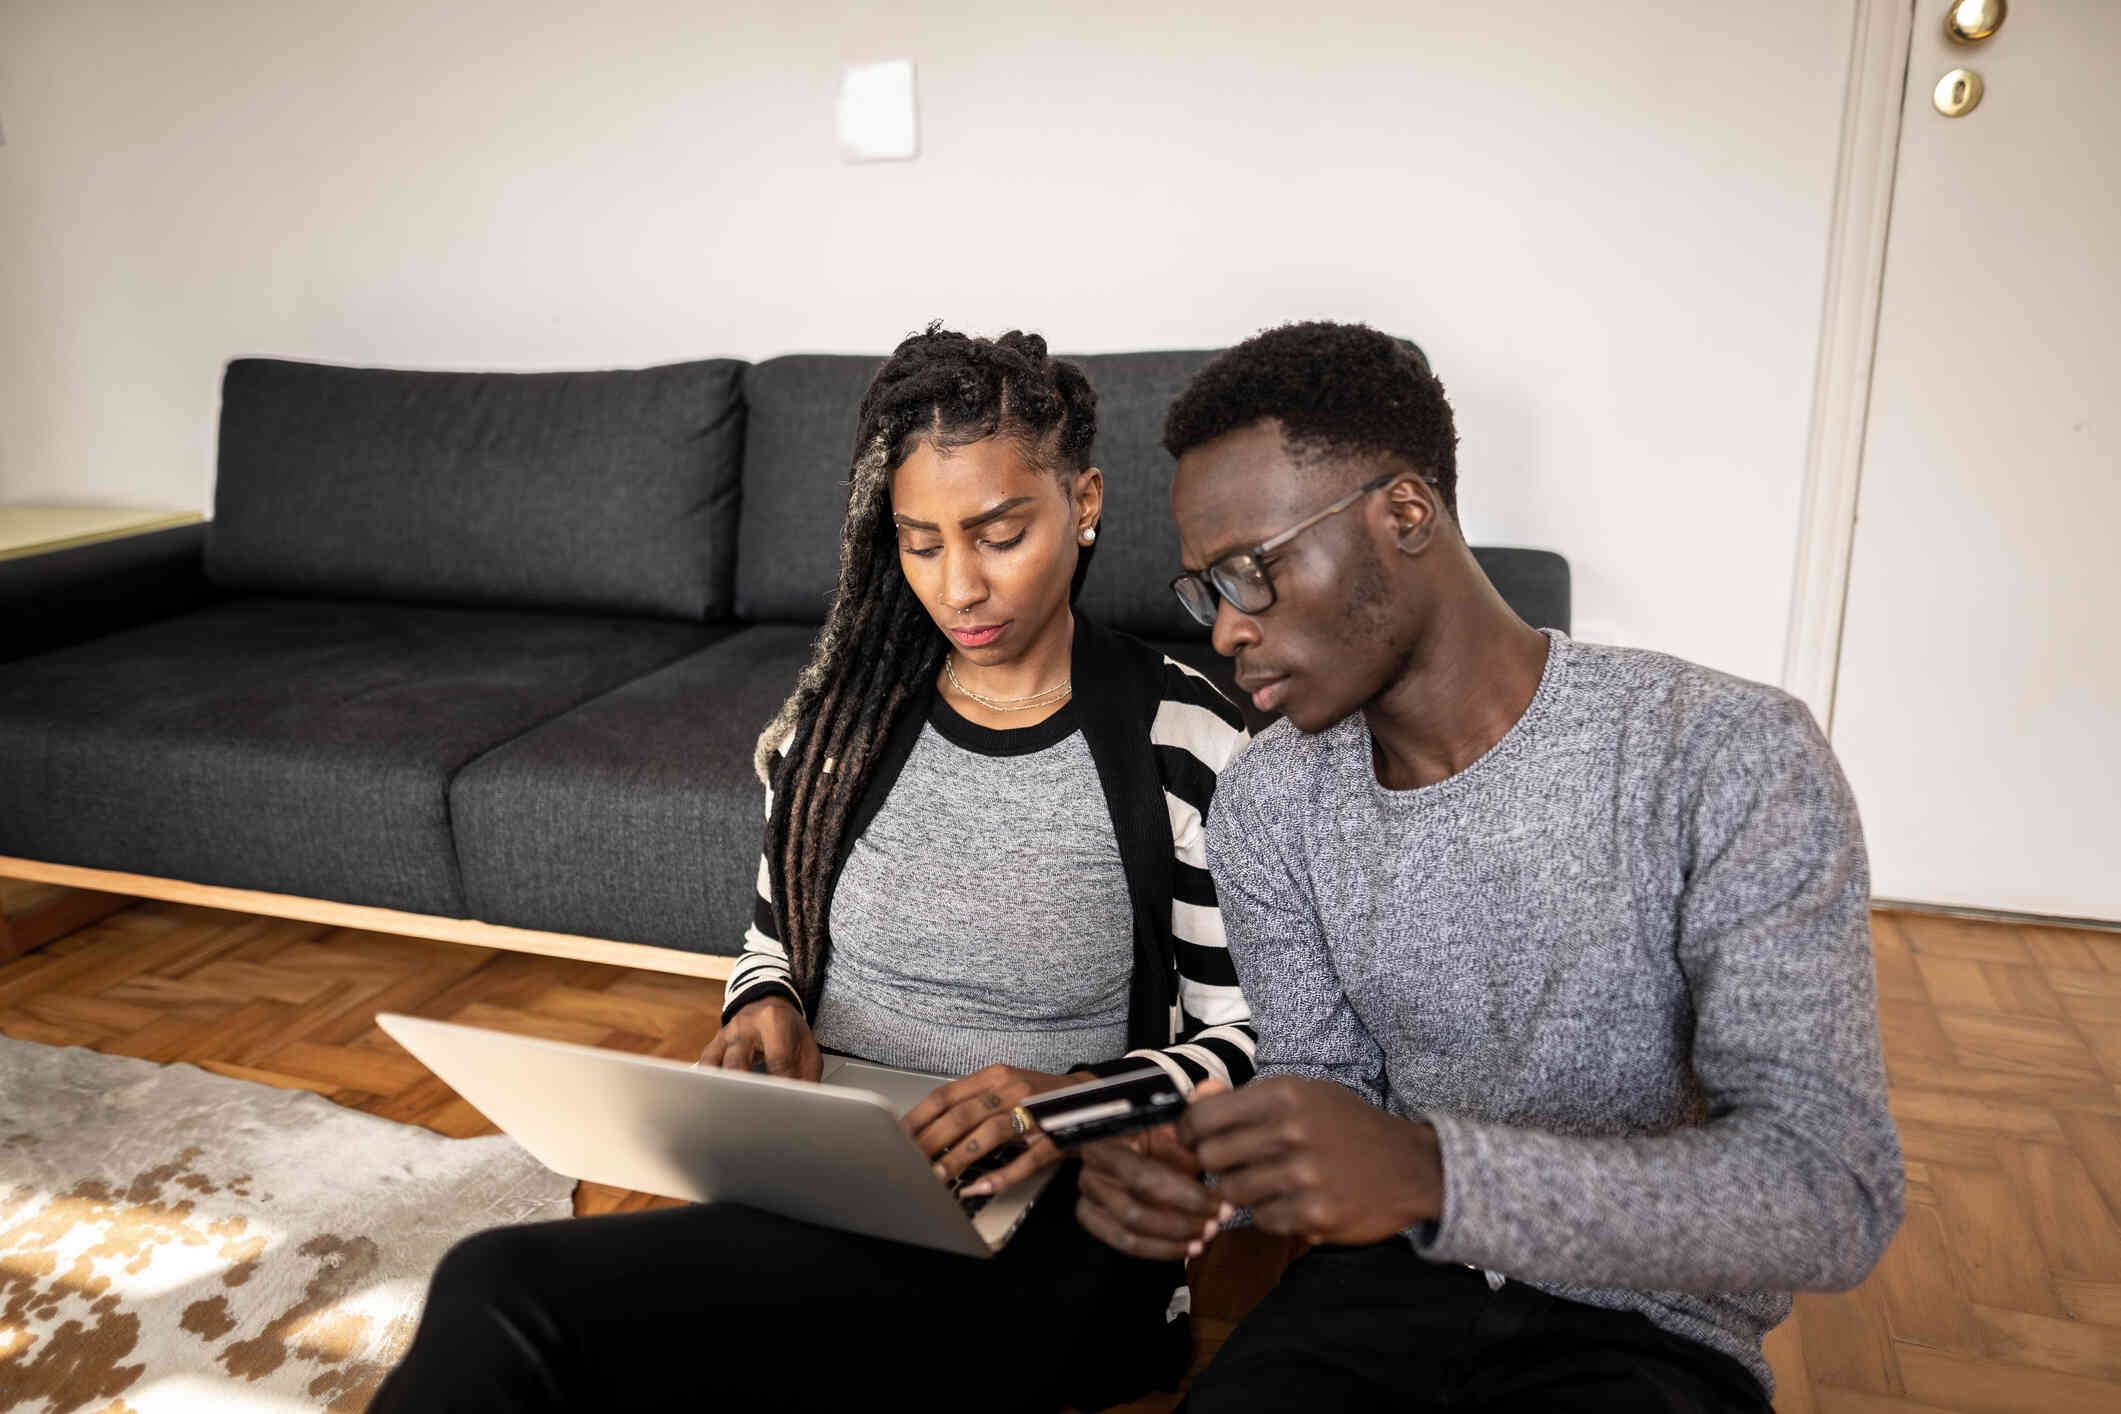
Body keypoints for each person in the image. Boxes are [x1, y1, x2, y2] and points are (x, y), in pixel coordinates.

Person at [369, 327, 1255, 1413]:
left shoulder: (1186, 734)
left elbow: (1251, 1037)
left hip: (1063, 1203)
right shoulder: (841, 720)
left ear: (1084, 504)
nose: (959, 586)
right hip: (831, 1173)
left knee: (507, 1292)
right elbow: (768, 938)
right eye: (919, 542)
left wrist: (1065, 1102)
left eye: (1000, 532)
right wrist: (769, 1001)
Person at [1074, 322, 1904, 1413]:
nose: (1227, 628)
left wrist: (1437, 1172)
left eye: (1250, 573)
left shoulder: (1726, 756)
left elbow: (1828, 1188)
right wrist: (1214, 1164)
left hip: (1646, 1330)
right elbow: (1327, 1090)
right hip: (1375, 1290)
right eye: (1204, 592)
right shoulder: (1271, 798)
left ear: (1404, 514)